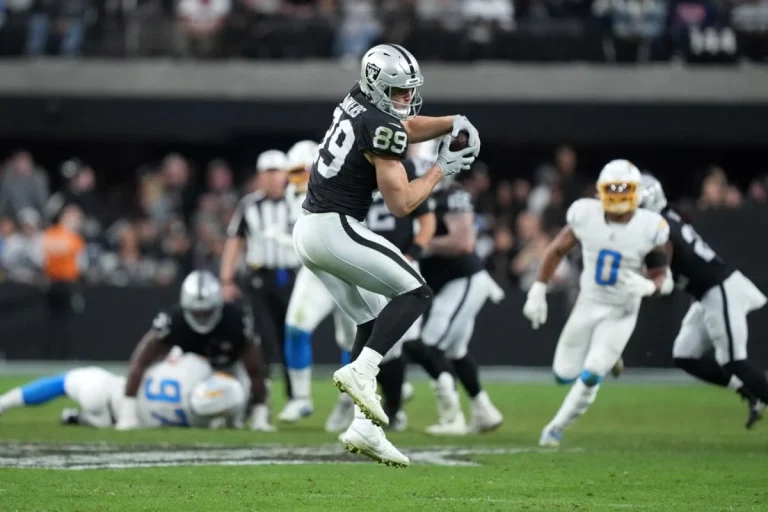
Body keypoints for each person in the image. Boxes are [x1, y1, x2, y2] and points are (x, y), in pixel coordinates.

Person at [292, 43, 480, 467]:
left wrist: (452, 121)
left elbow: (403, 126)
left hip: (310, 229)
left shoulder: (359, 98)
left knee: (369, 320)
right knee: (416, 291)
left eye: (408, 89)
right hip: (334, 227)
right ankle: (362, 371)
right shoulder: (380, 124)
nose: (406, 98)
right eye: (398, 91)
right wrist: (442, 168)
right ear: (378, 86)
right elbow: (402, 204)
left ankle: (365, 427)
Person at [522, 160, 672, 447]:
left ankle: (556, 428)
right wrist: (538, 290)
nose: (618, 195)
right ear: (600, 190)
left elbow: (663, 277)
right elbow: (556, 250)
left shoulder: (650, 226)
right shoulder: (585, 214)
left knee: (592, 372)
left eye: (624, 188)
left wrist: (650, 286)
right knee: (563, 374)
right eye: (612, 188)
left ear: (636, 192)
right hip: (588, 302)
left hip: (622, 309)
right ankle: (610, 357)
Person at [640, 174, 768, 429]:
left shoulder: (660, 226)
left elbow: (660, 271)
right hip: (704, 294)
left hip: (718, 288)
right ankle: (750, 392)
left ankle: (757, 390)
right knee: (685, 355)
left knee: (734, 360)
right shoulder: (666, 217)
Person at [326, 155, 437, 434]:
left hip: (398, 261)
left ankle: (393, 408)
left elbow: (426, 219)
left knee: (396, 343)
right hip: (364, 263)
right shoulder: (352, 171)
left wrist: (413, 253)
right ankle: (364, 408)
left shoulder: (402, 169)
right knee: (369, 334)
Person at [115, 270, 272, 432]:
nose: (202, 317)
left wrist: (259, 415)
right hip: (190, 376)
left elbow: (255, 369)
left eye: (207, 312)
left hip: (230, 370)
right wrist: (128, 413)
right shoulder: (173, 321)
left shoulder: (235, 320)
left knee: (240, 403)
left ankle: (255, 415)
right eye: (197, 312)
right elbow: (140, 362)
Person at [409, 175, 505, 436]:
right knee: (455, 351)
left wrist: (420, 244)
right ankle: (484, 410)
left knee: (430, 345)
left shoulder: (450, 195)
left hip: (464, 280)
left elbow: (464, 243)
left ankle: (452, 418)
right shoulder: (406, 196)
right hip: (449, 284)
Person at [277, 140, 357, 423]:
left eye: (303, 171)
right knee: (296, 328)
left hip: (349, 271)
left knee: (351, 339)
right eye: (294, 172)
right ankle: (300, 398)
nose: (298, 179)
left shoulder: (341, 184)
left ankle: (350, 399)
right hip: (316, 271)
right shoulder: (292, 194)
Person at [220, 150, 298, 403]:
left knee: (292, 335)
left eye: (277, 172)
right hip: (258, 278)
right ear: (259, 176)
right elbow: (234, 241)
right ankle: (260, 394)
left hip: (291, 276)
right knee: (263, 337)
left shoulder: (298, 202)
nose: (272, 178)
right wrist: (226, 280)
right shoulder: (249, 204)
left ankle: (296, 395)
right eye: (268, 172)